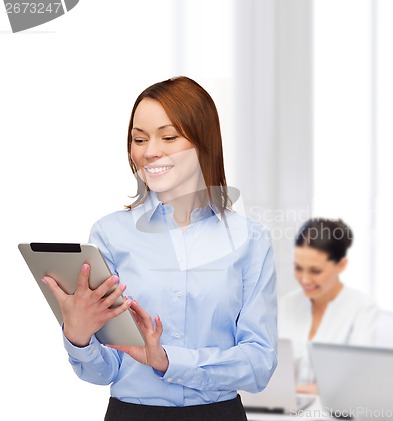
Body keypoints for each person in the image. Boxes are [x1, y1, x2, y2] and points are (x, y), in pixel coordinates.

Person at [41, 76, 277, 420]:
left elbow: (259, 364)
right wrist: (79, 338)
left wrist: (168, 360)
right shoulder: (110, 233)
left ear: (203, 142)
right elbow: (104, 371)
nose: (149, 151)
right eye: (139, 139)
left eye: (168, 137)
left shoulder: (249, 238)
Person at [278, 218, 378, 394]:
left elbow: (361, 379)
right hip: (283, 409)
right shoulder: (287, 304)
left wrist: (321, 390)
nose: (305, 280)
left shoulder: (362, 309)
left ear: (341, 265)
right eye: (298, 268)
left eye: (315, 271)